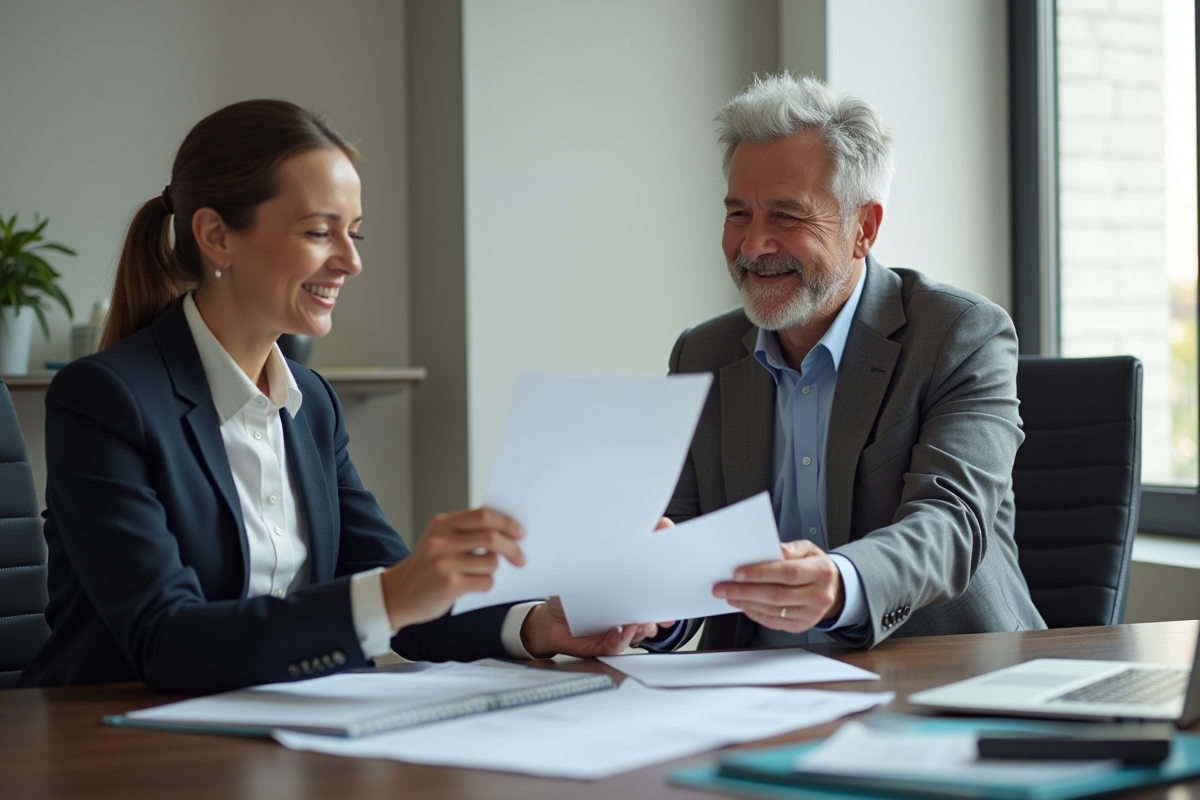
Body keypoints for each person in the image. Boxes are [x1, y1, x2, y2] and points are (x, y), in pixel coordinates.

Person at [19, 100, 660, 693]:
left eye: (355, 232)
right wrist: (393, 594)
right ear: (217, 236)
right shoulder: (106, 399)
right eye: (320, 232)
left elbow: (401, 603)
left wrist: (540, 626)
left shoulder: (311, 405)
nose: (351, 261)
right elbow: (166, 641)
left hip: (277, 733)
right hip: (115, 742)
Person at [646, 74, 1045, 653]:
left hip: (941, 673)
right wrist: (654, 602)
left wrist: (839, 583)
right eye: (738, 215)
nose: (753, 246)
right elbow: (682, 542)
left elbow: (949, 524)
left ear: (864, 229)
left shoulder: (960, 335)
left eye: (786, 216)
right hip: (752, 687)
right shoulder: (701, 354)